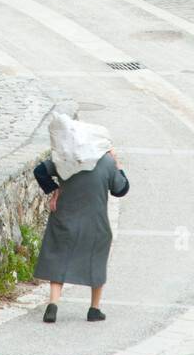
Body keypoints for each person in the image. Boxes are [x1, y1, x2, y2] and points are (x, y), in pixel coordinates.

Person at [32, 112, 129, 323]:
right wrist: (118, 165)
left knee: (59, 256)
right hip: (95, 223)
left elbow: (39, 171)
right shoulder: (105, 161)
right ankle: (94, 309)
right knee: (97, 259)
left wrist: (54, 189)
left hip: (65, 218)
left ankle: (53, 304)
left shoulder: (67, 158)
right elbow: (121, 190)